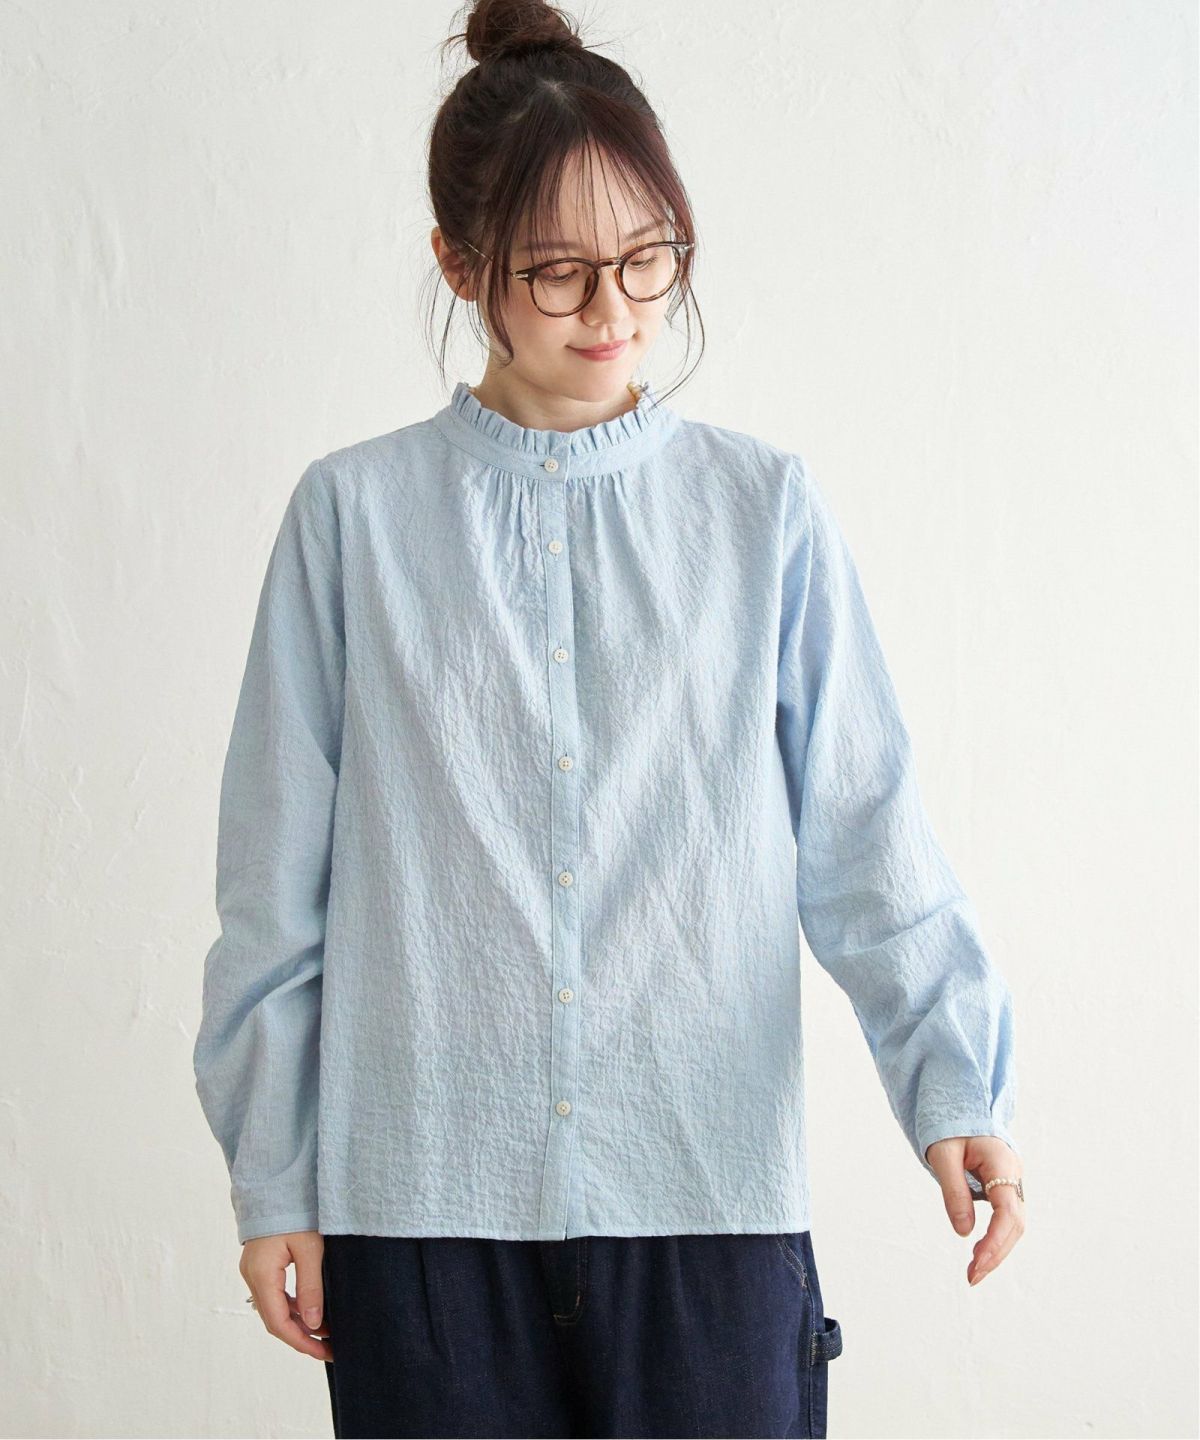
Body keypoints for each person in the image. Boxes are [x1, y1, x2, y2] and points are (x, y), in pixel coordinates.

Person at [192, 0, 1026, 1435]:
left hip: (708, 1198)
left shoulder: (764, 513)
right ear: (461, 266)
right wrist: (276, 1177)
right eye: (560, 273)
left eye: (648, 259)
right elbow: (274, 889)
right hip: (422, 1213)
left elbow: (866, 834)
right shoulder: (352, 521)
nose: (616, 313)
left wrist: (956, 1086)